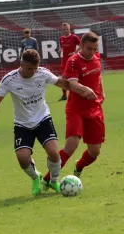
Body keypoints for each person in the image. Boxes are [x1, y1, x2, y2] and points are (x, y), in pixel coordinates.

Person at [0, 50, 74, 195]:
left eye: (36, 68)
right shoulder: (9, 79)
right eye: (30, 68)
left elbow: (62, 83)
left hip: (43, 118)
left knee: (54, 153)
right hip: (22, 124)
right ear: (21, 64)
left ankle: (53, 181)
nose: (34, 71)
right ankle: (36, 177)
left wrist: (79, 87)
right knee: (23, 159)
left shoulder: (43, 73)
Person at [43, 32, 102, 185]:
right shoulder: (73, 61)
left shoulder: (97, 57)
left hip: (94, 108)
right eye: (89, 48)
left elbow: (98, 76)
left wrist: (103, 93)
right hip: (76, 108)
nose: (92, 52)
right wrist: (85, 90)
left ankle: (79, 165)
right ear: (81, 45)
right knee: (71, 145)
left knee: (94, 152)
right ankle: (48, 179)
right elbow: (72, 84)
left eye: (95, 49)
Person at [59, 23, 81, 101]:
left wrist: (75, 52)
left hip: (73, 60)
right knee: (63, 78)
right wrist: (61, 49)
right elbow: (61, 46)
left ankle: (79, 93)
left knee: (76, 78)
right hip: (64, 61)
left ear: (69, 29)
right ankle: (64, 95)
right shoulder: (61, 38)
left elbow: (81, 45)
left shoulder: (74, 37)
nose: (65, 31)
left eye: (66, 29)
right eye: (64, 29)